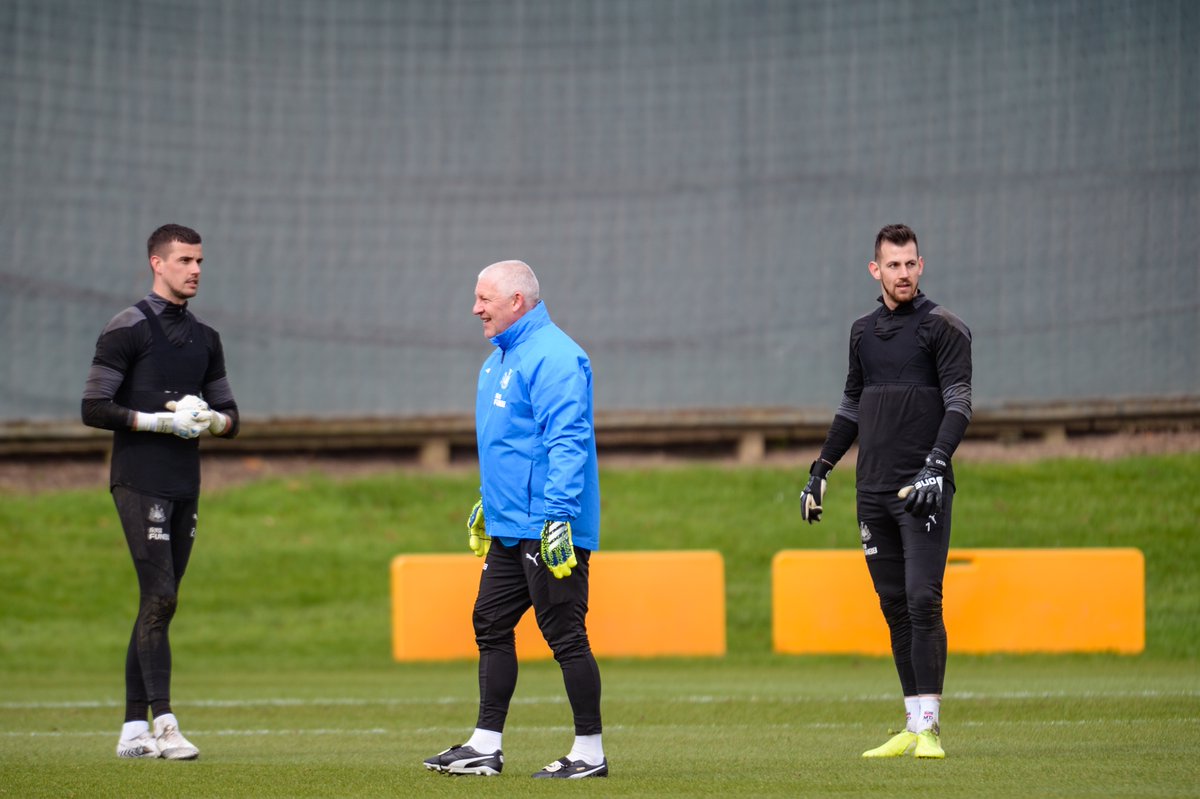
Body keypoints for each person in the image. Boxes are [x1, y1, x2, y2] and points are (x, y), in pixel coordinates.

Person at [423, 260, 606, 779]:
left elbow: (566, 443)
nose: (475, 308)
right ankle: (485, 744)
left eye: (484, 299)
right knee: (490, 622)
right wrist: (491, 503)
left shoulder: (556, 357)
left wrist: (558, 519)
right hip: (510, 526)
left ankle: (589, 754)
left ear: (516, 302)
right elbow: (507, 446)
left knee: (566, 634)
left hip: (548, 526)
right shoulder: (498, 360)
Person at [800, 224, 972, 759]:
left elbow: (959, 404)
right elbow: (852, 404)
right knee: (894, 606)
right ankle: (911, 721)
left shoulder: (945, 328)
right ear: (875, 270)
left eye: (910, 264)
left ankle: (931, 730)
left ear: (922, 267)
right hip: (871, 491)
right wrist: (822, 467)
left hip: (922, 489)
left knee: (924, 599)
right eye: (892, 265)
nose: (902, 273)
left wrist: (935, 467)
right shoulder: (861, 331)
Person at [82, 224, 240, 760]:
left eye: (200, 261)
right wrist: (160, 423)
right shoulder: (127, 327)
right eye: (184, 261)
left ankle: (132, 732)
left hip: (184, 485)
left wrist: (209, 420)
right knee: (162, 596)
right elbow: (94, 407)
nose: (195, 270)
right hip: (138, 479)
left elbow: (232, 418)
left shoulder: (205, 338)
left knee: (159, 603)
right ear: (157, 263)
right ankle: (166, 724)